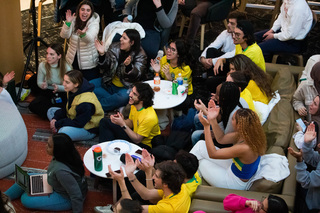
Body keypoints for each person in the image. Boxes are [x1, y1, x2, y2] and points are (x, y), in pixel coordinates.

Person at [5, 133, 88, 212]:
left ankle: (21, 194)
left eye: (49, 146)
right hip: (56, 183)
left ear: (58, 150)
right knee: (26, 178)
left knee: (25, 199)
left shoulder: (61, 172)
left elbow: (76, 195)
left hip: (65, 198)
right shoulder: (66, 155)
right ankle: (4, 197)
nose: (45, 146)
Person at [190, 107, 266, 189]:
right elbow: (221, 139)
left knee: (198, 161)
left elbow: (213, 154)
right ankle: (183, 172)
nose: (230, 120)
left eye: (232, 119)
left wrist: (206, 127)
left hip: (234, 183)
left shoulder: (244, 148)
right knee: (200, 145)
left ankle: (187, 181)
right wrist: (212, 119)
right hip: (233, 167)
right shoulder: (248, 134)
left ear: (239, 125)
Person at [91, 29, 147, 112]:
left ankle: (96, 107)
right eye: (121, 36)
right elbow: (106, 66)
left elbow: (138, 75)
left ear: (132, 42)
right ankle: (110, 103)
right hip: (109, 82)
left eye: (124, 38)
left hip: (125, 87)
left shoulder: (141, 55)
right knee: (88, 86)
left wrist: (128, 67)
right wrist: (102, 55)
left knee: (122, 98)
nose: (120, 39)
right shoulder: (114, 47)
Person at [99, 82, 161, 150]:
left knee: (107, 127)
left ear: (142, 99)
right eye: (132, 91)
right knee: (104, 122)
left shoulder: (149, 117)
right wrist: (121, 120)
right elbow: (131, 123)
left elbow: (137, 140)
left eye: (134, 94)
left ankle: (107, 150)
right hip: (134, 134)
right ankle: (106, 149)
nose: (130, 95)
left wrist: (122, 124)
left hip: (143, 145)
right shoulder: (134, 105)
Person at [47, 70, 104, 141]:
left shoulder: (85, 103)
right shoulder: (72, 90)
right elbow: (67, 107)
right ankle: (57, 127)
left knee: (63, 132)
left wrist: (59, 123)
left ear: (76, 84)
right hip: (73, 117)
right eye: (64, 80)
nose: (63, 84)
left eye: (67, 82)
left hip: (87, 128)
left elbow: (79, 123)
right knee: (51, 111)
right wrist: (55, 118)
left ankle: (59, 129)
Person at [192, 81, 248, 146]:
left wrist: (205, 111)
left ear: (224, 98)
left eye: (217, 95)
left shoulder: (234, 116)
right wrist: (205, 109)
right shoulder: (233, 102)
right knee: (197, 117)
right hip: (222, 130)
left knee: (195, 135)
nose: (214, 96)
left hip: (226, 141)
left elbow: (223, 137)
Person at [28, 43, 72, 119]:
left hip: (63, 92)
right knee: (33, 106)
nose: (48, 56)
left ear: (59, 56)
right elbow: (39, 81)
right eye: (47, 53)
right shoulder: (42, 65)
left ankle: (54, 114)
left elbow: (71, 86)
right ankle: (55, 114)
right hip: (48, 91)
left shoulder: (67, 67)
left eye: (52, 54)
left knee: (68, 107)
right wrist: (42, 85)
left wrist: (59, 88)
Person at [60, 0, 100, 81]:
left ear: (91, 12)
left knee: (88, 85)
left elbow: (89, 39)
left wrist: (83, 34)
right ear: (78, 10)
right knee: (74, 84)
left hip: (88, 64)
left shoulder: (94, 23)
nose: (85, 12)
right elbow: (64, 35)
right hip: (73, 60)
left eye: (88, 10)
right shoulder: (74, 20)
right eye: (82, 9)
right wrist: (67, 23)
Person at [150, 39, 193, 112]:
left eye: (173, 50)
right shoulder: (164, 60)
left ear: (179, 54)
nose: (168, 51)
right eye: (169, 47)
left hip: (182, 93)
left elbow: (179, 89)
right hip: (167, 89)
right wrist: (157, 72)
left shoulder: (185, 69)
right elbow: (159, 80)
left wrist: (169, 78)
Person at [200, 11, 247, 77]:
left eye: (232, 23)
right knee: (211, 50)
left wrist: (212, 61)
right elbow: (213, 45)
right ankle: (210, 76)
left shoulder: (243, 37)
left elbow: (233, 54)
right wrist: (203, 58)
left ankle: (211, 78)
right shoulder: (225, 33)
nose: (228, 25)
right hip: (221, 59)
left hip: (233, 63)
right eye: (228, 22)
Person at [288, 122, 320, 211]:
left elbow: (305, 181)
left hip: (313, 206)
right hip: (311, 194)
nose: (318, 145)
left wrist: (299, 160)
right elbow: (311, 158)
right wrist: (307, 143)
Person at [223, 193, 289, 213]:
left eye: (262, 207)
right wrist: (245, 202)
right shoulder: (253, 204)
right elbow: (226, 203)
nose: (259, 205)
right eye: (262, 201)